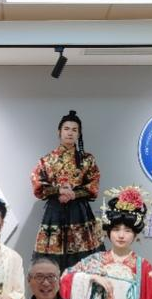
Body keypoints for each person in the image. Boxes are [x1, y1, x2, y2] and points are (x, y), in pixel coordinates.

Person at [31, 110, 102, 271]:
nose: (70, 133)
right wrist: (58, 191)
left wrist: (74, 194)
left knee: (82, 262)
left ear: (79, 134)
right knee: (51, 261)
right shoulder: (47, 160)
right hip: (55, 212)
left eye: (74, 130)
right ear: (59, 131)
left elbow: (93, 185)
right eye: (66, 129)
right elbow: (38, 184)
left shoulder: (87, 160)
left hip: (79, 212)